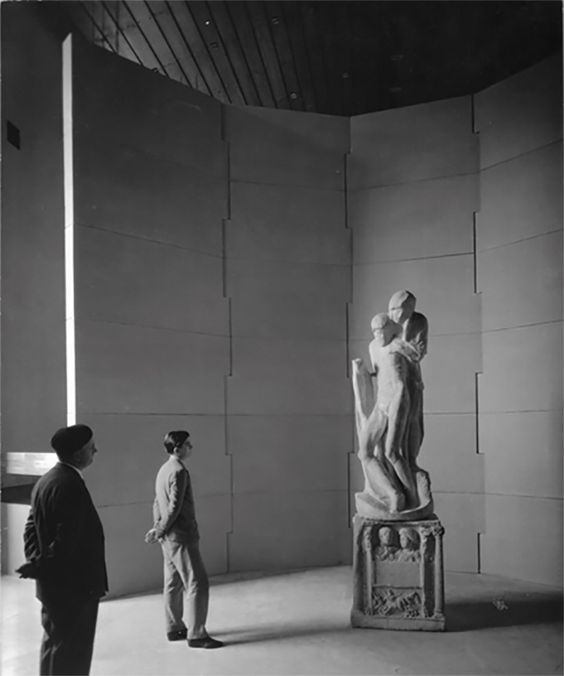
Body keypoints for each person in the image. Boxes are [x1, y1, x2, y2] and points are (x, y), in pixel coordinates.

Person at [17, 424, 107, 676]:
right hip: (74, 589)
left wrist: (38, 565)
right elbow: (67, 542)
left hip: (53, 587)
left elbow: (30, 529)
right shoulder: (71, 485)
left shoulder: (47, 480)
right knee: (73, 655)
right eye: (91, 447)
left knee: (54, 646)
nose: (95, 450)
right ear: (78, 453)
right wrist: (46, 565)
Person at [144, 431, 223, 649]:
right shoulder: (179, 471)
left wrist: (157, 527)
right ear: (177, 448)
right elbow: (174, 507)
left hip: (168, 537)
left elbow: (156, 502)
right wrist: (160, 529)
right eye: (188, 444)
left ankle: (175, 627)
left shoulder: (163, 469)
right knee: (197, 582)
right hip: (181, 536)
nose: (191, 447)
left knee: (173, 582)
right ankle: (197, 634)